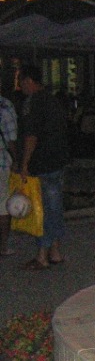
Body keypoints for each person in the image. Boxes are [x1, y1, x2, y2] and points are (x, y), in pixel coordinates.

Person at [17, 65, 69, 270]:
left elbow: (31, 136)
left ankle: (42, 255)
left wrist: (24, 164)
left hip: (42, 162)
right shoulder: (53, 100)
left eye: (21, 82)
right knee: (54, 207)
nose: (20, 87)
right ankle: (55, 251)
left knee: (43, 210)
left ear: (29, 81)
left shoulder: (33, 103)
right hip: (57, 159)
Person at [0, 91, 18, 256]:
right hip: (2, 162)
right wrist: (17, 160)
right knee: (3, 207)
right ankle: (3, 246)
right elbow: (11, 139)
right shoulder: (4, 107)